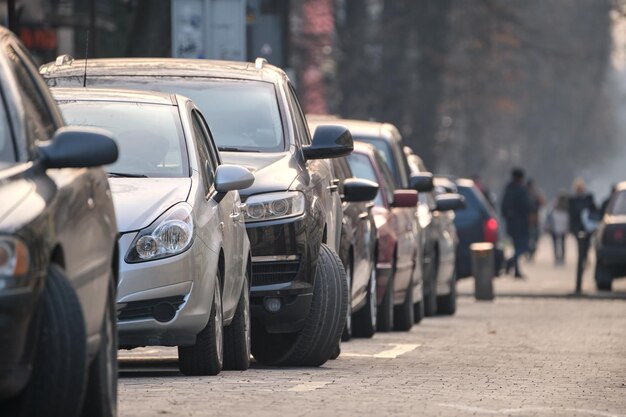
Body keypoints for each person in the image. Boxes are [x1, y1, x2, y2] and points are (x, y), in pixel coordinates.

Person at [501, 168, 531, 278]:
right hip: (521, 224)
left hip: (511, 224)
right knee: (524, 247)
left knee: (516, 246)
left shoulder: (508, 189)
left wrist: (509, 218)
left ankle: (516, 270)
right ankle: (511, 261)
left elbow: (503, 207)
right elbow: (527, 206)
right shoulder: (521, 190)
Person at [568, 178, 597, 294]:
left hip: (587, 228)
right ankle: (579, 282)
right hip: (579, 229)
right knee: (581, 252)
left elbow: (594, 210)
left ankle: (584, 260)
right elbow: (572, 214)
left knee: (585, 251)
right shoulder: (574, 200)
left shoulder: (587, 198)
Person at [546, 192, 569, 265]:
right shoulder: (566, 209)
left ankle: (557, 258)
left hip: (556, 228)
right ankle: (561, 258)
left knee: (556, 244)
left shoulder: (553, 208)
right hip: (559, 228)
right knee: (562, 243)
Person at [526, 179, 546, 260]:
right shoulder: (525, 194)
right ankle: (529, 251)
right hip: (528, 220)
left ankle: (532, 251)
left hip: (534, 219)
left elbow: (543, 203)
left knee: (535, 237)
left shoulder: (535, 194)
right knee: (529, 237)